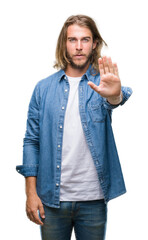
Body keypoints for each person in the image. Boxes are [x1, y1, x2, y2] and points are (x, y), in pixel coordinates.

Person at [16, 15, 132, 240]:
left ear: (94, 44)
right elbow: (32, 140)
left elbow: (116, 99)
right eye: (72, 40)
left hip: (93, 201)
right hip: (51, 199)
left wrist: (115, 95)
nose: (79, 47)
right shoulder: (43, 89)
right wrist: (30, 193)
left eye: (85, 39)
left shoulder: (102, 84)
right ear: (64, 44)